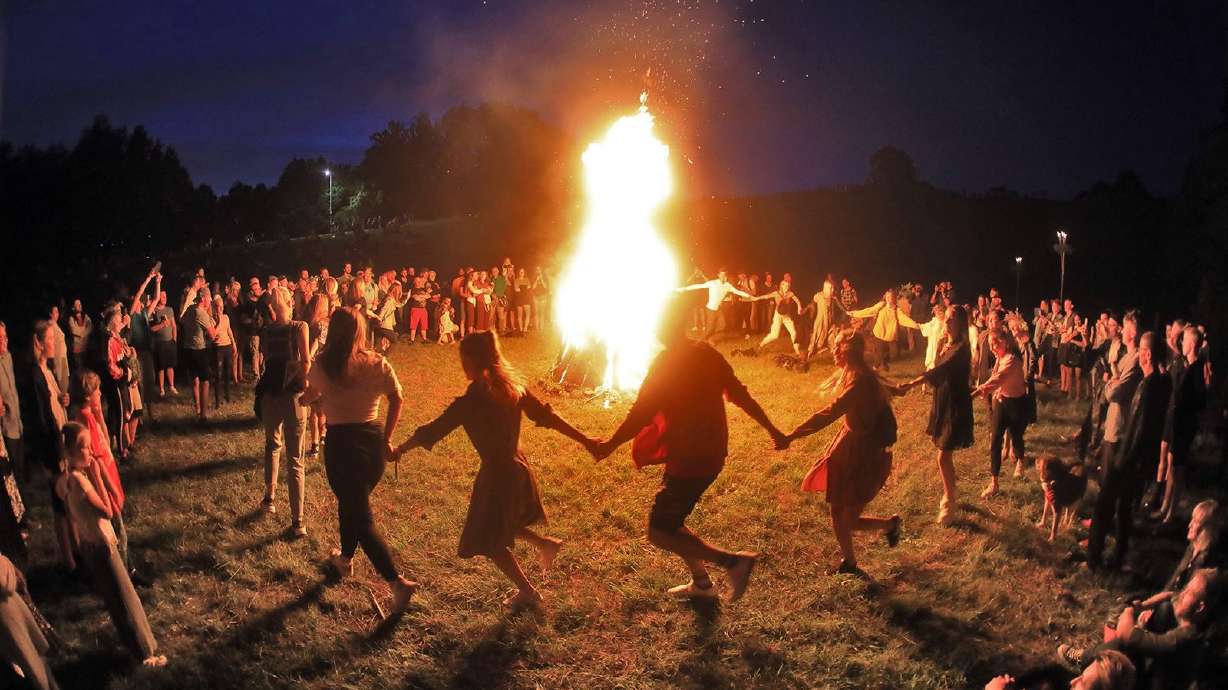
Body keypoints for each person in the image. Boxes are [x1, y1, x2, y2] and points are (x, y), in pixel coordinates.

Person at [590, 297, 785, 601]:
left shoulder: (666, 364)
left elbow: (640, 413)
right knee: (673, 521)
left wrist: (610, 444)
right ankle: (702, 584)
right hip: (710, 451)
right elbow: (740, 395)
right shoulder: (706, 354)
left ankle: (733, 562)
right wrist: (773, 430)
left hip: (691, 456)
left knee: (659, 530)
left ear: (668, 325)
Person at [398, 331, 595, 608]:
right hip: (518, 468)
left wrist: (399, 450)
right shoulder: (514, 388)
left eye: (463, 358)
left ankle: (529, 593)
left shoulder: (470, 403)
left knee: (489, 540)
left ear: (472, 359)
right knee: (501, 524)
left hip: (498, 476)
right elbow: (548, 417)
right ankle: (545, 544)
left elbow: (431, 431)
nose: (461, 363)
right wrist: (586, 440)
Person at [300, 307, 417, 614]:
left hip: (342, 445)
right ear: (360, 331)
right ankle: (345, 560)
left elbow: (309, 396)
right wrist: (387, 437)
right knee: (351, 503)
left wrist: (308, 397)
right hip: (372, 442)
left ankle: (397, 582)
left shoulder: (322, 364)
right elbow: (398, 397)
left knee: (360, 516)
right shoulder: (377, 362)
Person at [783, 331, 902, 575]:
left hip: (862, 453)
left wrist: (793, 434)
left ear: (844, 352)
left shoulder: (860, 381)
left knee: (847, 518)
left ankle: (889, 525)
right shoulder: (856, 375)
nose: (833, 352)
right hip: (847, 446)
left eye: (835, 348)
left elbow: (830, 412)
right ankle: (850, 562)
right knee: (837, 512)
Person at [56, 422, 165, 667]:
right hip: (103, 546)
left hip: (88, 545)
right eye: (84, 447)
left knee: (114, 601)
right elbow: (106, 510)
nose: (90, 451)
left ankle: (134, 649)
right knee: (126, 599)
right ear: (71, 453)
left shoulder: (63, 482)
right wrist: (98, 478)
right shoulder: (82, 483)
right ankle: (145, 653)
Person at [902, 305, 973, 524]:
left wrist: (913, 383)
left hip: (955, 405)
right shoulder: (945, 343)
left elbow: (939, 371)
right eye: (947, 318)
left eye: (952, 318)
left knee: (943, 456)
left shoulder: (961, 348)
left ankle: (948, 501)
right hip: (943, 399)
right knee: (944, 455)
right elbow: (937, 369)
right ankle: (951, 492)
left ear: (961, 322)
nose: (948, 321)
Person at [255, 291, 310, 538]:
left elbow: (267, 358)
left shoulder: (266, 331)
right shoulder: (300, 327)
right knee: (296, 458)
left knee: (272, 445)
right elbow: (305, 360)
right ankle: (297, 521)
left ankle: (269, 499)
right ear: (290, 303)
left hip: (270, 393)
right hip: (292, 395)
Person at [28, 321, 74, 572]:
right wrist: (54, 452)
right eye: (50, 339)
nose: (54, 344)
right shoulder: (35, 375)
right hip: (52, 447)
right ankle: (69, 561)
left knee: (69, 499)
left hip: (61, 441)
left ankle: (77, 551)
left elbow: (55, 404)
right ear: (39, 343)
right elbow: (41, 418)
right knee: (60, 503)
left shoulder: (48, 371)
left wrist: (64, 399)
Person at [1155, 325, 1211, 523]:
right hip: (1176, 422)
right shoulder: (1187, 365)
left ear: (1193, 343)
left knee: (1177, 470)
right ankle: (1164, 507)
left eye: (1185, 339)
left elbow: (1200, 400)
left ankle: (1171, 513)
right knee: (1171, 465)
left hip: (1185, 426)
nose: (1182, 343)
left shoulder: (1197, 369)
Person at [973, 329, 1029, 498]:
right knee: (995, 439)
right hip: (1002, 402)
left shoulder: (1012, 360)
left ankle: (1020, 461)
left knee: (1016, 436)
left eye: (995, 343)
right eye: (990, 344)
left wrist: (975, 393)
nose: (992, 347)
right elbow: (996, 381)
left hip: (1016, 403)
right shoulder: (1000, 357)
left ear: (1006, 341)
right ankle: (994, 482)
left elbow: (997, 379)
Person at [0, 553, 59, 690]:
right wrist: (7, 564)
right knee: (31, 664)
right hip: (7, 618)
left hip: (12, 610)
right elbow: (4, 583)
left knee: (36, 660)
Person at [847, 289, 922, 370]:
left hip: (890, 336)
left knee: (894, 355)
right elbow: (869, 311)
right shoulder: (881, 306)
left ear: (894, 298)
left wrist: (917, 325)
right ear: (885, 297)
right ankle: (875, 368)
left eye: (891, 297)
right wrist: (854, 314)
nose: (888, 298)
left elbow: (905, 320)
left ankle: (883, 362)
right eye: (887, 296)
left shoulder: (897, 310)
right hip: (879, 334)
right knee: (879, 354)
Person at [678, 269, 752, 342]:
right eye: (721, 274)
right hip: (710, 309)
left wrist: (749, 296)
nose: (723, 276)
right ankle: (698, 342)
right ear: (718, 275)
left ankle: (711, 339)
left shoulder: (727, 285)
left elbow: (737, 292)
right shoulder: (712, 283)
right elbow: (698, 286)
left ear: (726, 276)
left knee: (722, 325)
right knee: (709, 329)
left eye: (724, 275)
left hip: (717, 309)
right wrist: (685, 289)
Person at [179, 285, 218, 421]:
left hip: (187, 349)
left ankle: (198, 408)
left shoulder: (190, 309)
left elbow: (182, 321)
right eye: (209, 298)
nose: (210, 301)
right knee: (205, 381)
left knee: (194, 379)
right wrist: (214, 325)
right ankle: (203, 415)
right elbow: (213, 335)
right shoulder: (200, 313)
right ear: (203, 298)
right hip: (199, 350)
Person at [0, 322, 25, 483]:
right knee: (10, 477)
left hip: (17, 425)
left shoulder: (7, 357)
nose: (3, 341)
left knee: (19, 471)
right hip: (5, 429)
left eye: (4, 337)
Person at [757, 278, 804, 355]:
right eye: (785, 286)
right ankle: (761, 344)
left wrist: (799, 307)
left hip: (786, 316)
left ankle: (797, 351)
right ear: (781, 286)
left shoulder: (790, 293)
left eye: (788, 286)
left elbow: (797, 300)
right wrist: (756, 298)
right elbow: (766, 296)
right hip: (778, 315)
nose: (787, 287)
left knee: (794, 332)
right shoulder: (776, 293)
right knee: (775, 335)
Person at [805, 278, 845, 358]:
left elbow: (840, 306)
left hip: (830, 320)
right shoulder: (819, 296)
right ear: (825, 288)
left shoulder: (833, 298)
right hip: (821, 321)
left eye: (833, 288)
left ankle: (835, 350)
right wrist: (806, 309)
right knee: (817, 336)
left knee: (833, 334)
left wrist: (846, 311)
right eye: (830, 288)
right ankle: (810, 351)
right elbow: (812, 303)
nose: (832, 290)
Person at [149, 290, 178, 396]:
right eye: (162, 296)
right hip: (159, 343)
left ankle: (171, 386)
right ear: (157, 297)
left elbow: (174, 325)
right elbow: (151, 328)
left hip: (170, 341)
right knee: (161, 367)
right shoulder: (153, 311)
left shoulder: (169, 309)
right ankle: (161, 389)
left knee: (170, 366)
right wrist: (161, 325)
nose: (164, 297)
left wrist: (174, 339)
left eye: (165, 296)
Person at [211, 295, 237, 406]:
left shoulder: (226, 317)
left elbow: (229, 330)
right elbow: (213, 333)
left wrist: (234, 343)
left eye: (222, 306)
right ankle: (217, 400)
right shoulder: (211, 319)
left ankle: (227, 397)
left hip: (227, 346)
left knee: (227, 373)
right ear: (214, 307)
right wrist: (218, 322)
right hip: (218, 348)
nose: (220, 309)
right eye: (218, 306)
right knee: (218, 374)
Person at [66, 299, 93, 375]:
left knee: (86, 368)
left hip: (85, 347)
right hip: (77, 349)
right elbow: (74, 330)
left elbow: (90, 327)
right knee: (79, 369)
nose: (79, 306)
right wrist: (84, 331)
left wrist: (82, 334)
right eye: (77, 305)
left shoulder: (85, 316)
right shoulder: (71, 318)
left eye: (80, 304)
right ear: (73, 308)